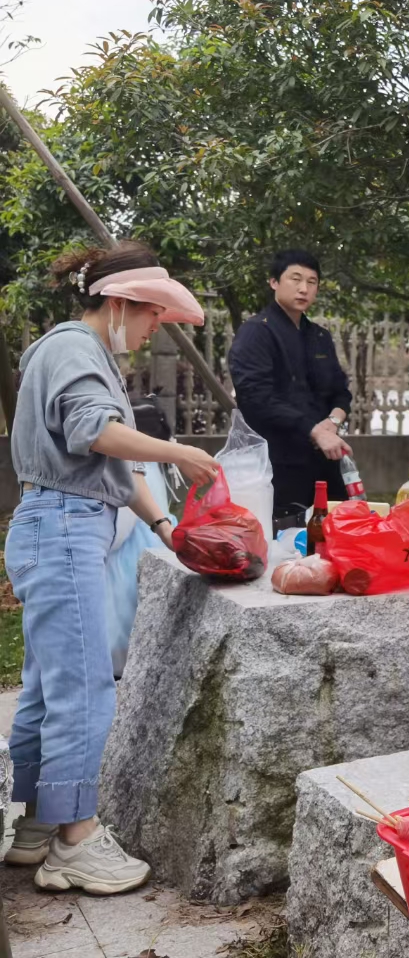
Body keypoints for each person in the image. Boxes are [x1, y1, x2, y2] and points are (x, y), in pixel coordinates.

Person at [4, 243, 219, 894]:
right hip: (65, 528)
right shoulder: (74, 349)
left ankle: (39, 823)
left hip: (63, 524)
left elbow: (117, 473)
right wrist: (178, 450)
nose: (156, 329)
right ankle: (75, 842)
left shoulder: (78, 351)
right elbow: (93, 434)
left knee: (48, 685)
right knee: (86, 688)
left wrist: (163, 528)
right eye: (153, 316)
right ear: (123, 302)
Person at [228, 250, 353, 530]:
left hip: (325, 461)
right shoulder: (255, 333)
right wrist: (314, 430)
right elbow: (256, 397)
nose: (303, 288)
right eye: (295, 279)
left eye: (312, 281)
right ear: (274, 282)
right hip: (276, 462)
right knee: (283, 547)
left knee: (333, 541)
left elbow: (341, 392)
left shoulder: (320, 337)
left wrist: (332, 422)